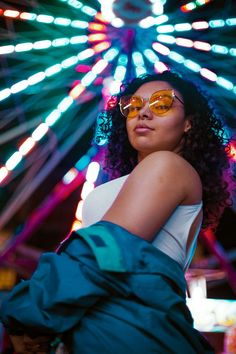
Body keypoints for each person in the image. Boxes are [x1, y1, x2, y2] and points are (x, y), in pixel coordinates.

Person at [0, 71, 232, 354]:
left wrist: (29, 310)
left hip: (129, 323)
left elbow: (105, 251)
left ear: (188, 123)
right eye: (133, 106)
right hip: (104, 322)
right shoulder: (137, 179)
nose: (143, 113)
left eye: (162, 104)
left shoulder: (169, 164)